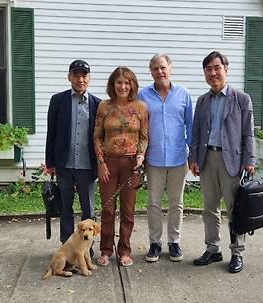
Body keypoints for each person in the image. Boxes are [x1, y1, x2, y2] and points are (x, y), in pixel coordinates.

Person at [188, 51, 255, 273]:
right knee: (209, 208)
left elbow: (248, 134)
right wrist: (194, 158)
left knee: (235, 210)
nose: (213, 73)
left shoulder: (241, 99)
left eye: (217, 68)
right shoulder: (202, 101)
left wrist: (248, 160)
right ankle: (213, 249)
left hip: (232, 162)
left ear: (225, 69)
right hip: (207, 159)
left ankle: (237, 253)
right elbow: (196, 132)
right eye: (208, 69)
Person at [138, 54, 193, 262]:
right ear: (151, 72)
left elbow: (190, 125)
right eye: (155, 69)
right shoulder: (143, 96)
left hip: (179, 158)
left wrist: (193, 154)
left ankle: (174, 242)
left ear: (170, 67)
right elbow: (140, 127)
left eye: (163, 67)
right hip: (153, 159)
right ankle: (154, 243)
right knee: (153, 203)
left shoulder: (183, 93)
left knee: (176, 203)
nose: (160, 72)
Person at [93, 66, 149, 267]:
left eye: (127, 82)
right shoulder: (104, 106)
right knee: (108, 209)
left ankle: (125, 250)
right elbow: (97, 136)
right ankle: (106, 250)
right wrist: (100, 162)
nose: (123, 86)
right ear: (113, 85)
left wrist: (141, 156)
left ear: (132, 85)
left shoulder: (141, 107)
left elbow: (144, 136)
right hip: (108, 162)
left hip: (131, 164)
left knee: (128, 210)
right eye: (119, 82)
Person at [45, 59, 100, 256]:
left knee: (89, 210)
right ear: (69, 77)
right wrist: (50, 162)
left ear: (89, 78)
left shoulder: (97, 104)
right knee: (66, 209)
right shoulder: (58, 100)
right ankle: (67, 248)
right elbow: (51, 132)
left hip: (87, 166)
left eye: (84, 75)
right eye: (76, 75)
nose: (80, 79)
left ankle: (87, 249)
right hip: (64, 165)